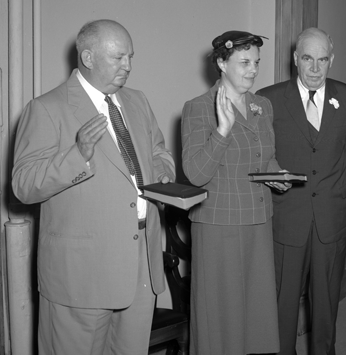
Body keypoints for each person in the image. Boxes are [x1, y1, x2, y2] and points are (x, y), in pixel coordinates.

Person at [11, 19, 175, 354]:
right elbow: (23, 186)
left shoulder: (137, 101)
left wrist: (164, 175)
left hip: (139, 265)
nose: (128, 66)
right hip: (80, 276)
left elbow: (159, 151)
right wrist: (78, 155)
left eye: (130, 56)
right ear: (88, 58)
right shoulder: (46, 108)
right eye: (118, 58)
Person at [181, 30, 289, 355]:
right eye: (244, 62)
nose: (253, 70)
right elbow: (196, 173)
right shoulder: (198, 108)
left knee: (255, 316)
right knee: (221, 319)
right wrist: (223, 130)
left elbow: (263, 156)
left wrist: (277, 174)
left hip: (257, 220)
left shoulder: (262, 106)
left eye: (256, 62)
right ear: (221, 63)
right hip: (219, 227)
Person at [256, 27, 346, 355]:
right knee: (282, 303)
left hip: (332, 214)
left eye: (322, 59)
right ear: (294, 60)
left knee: (327, 301)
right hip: (288, 215)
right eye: (307, 59)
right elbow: (262, 155)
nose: (315, 68)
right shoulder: (269, 99)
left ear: (332, 60)